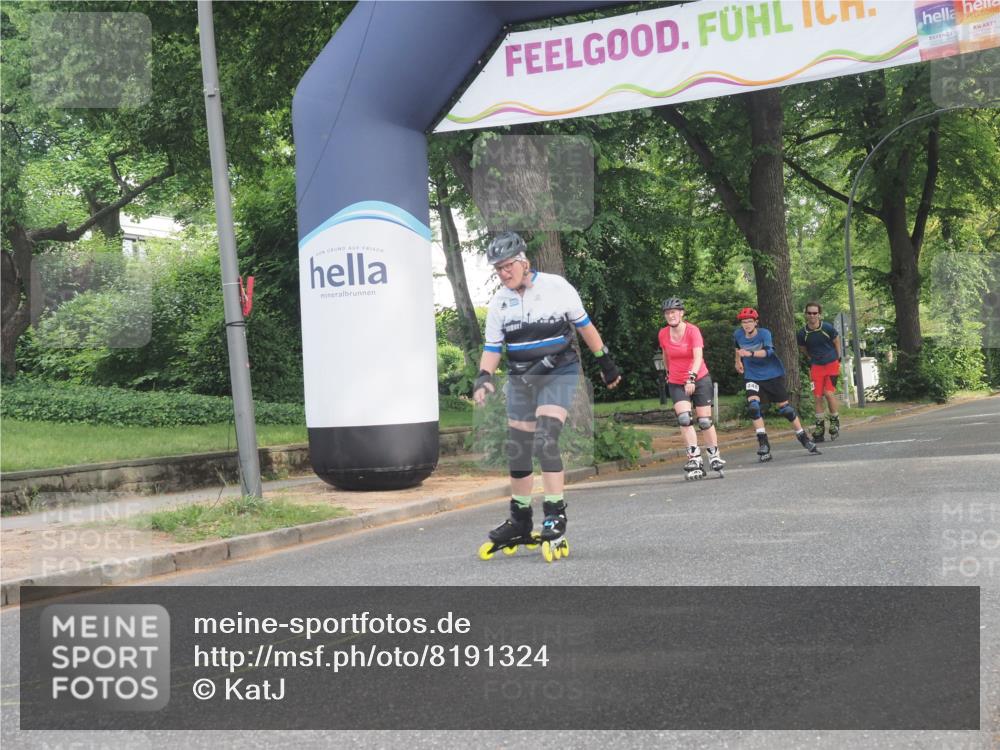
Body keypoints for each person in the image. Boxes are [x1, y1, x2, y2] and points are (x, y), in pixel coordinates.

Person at [472, 231, 621, 560]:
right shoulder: (499, 302)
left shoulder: (557, 287)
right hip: (522, 379)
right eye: (497, 269)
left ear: (524, 262)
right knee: (519, 449)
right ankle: (520, 520)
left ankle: (555, 513)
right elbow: (493, 347)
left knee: (546, 440)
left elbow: (584, 326)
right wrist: (484, 376)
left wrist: (605, 362)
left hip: (559, 372)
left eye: (507, 266)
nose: (503, 273)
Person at [733, 307, 820, 461]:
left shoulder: (764, 334)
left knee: (785, 409)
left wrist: (750, 354)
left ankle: (804, 438)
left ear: (756, 323)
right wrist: (738, 361)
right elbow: (737, 347)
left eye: (749, 322)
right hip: (752, 375)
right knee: (754, 407)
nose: (746, 325)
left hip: (772, 374)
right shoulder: (738, 334)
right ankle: (763, 444)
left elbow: (769, 352)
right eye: (744, 322)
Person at [657, 297, 725, 479]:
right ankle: (694, 458)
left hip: (699, 378)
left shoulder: (693, 331)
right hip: (677, 381)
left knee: (704, 421)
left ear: (681, 313)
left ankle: (713, 455)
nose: (670, 316)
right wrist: (668, 373)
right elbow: (666, 355)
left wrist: (692, 378)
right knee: (684, 419)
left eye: (673, 312)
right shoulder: (663, 334)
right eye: (667, 313)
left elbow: (698, 357)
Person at [797, 302, 842, 442]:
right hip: (816, 366)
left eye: (815, 313)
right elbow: (803, 348)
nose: (812, 316)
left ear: (819, 314)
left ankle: (834, 422)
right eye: (809, 313)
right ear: (806, 314)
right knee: (817, 397)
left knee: (828, 393)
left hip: (831, 364)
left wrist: (838, 356)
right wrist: (811, 358)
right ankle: (819, 428)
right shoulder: (802, 333)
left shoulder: (827, 327)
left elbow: (836, 341)